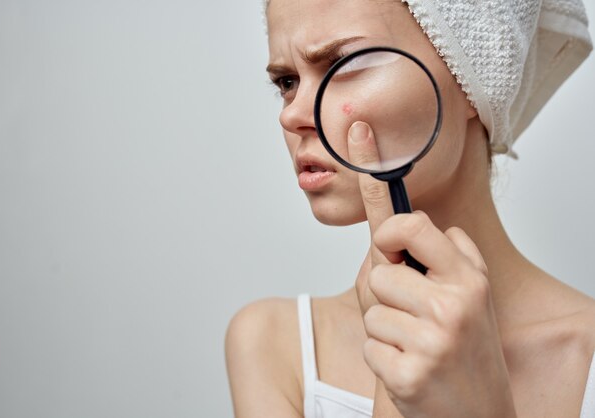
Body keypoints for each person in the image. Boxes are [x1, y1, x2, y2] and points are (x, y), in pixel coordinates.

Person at [225, 0, 595, 417]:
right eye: (287, 81)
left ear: (473, 79)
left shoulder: (586, 353)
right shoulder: (273, 344)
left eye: (342, 63)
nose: (291, 114)